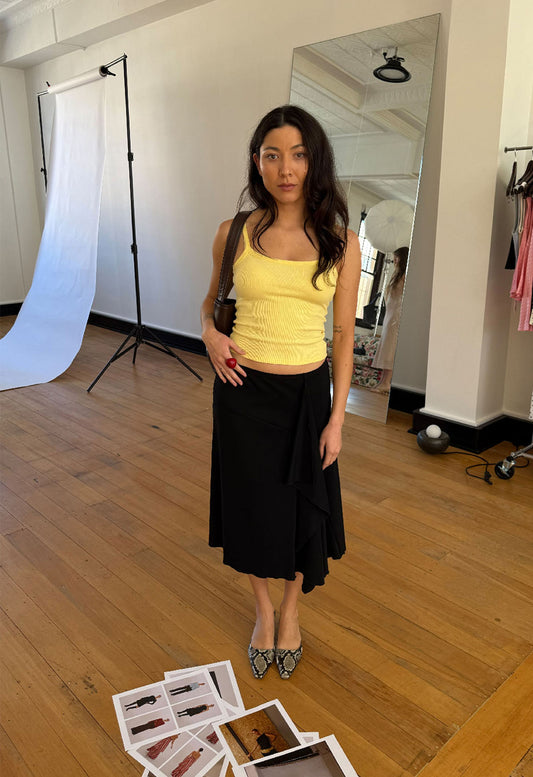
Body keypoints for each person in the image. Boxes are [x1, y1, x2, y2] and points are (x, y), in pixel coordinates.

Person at [201, 105, 361, 680]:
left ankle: (291, 612)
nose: (285, 169)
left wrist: (337, 419)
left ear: (314, 162)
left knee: (299, 510)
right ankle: (263, 612)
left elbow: (344, 337)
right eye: (273, 156)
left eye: (297, 155)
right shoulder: (234, 232)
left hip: (307, 397)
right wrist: (209, 334)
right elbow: (212, 303)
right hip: (242, 391)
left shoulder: (341, 242)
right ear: (258, 162)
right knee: (251, 507)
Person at [371, 246, 408, 393]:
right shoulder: (397, 275)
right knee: (386, 347)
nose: (394, 260)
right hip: (390, 316)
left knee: (390, 349)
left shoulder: (405, 275)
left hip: (396, 317)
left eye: (396, 257)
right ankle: (383, 381)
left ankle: (386, 383)